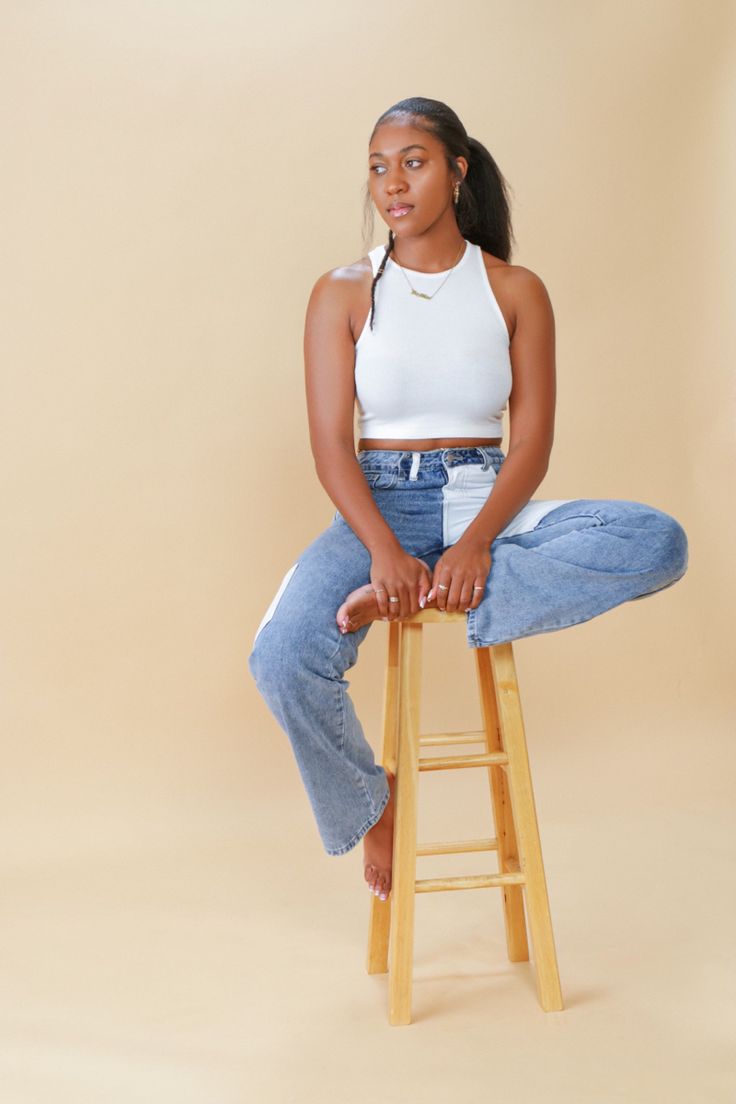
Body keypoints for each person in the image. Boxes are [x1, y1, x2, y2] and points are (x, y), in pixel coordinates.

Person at [247, 96, 688, 905]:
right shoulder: (341, 292)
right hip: (373, 509)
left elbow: (532, 444)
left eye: (412, 161)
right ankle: (369, 800)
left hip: (486, 503)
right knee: (279, 658)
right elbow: (329, 446)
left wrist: (477, 543)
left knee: (657, 540)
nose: (392, 183)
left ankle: (430, 591)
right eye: (378, 167)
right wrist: (383, 550)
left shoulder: (515, 289)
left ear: (456, 169)